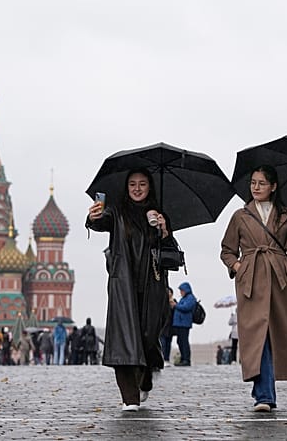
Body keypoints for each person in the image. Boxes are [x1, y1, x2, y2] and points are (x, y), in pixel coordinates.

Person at [86, 168, 175, 411]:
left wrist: (164, 230)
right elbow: (100, 223)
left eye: (142, 184)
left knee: (147, 336)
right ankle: (129, 398)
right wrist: (94, 217)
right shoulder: (116, 212)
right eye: (132, 184)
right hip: (123, 284)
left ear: (150, 187)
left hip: (152, 285)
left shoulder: (158, 214)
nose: (137, 188)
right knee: (124, 339)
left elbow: (171, 254)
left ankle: (146, 375)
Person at [220, 164, 287, 413]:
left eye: (262, 183)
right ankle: (264, 394)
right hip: (252, 280)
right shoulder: (240, 215)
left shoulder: (285, 215)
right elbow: (226, 249)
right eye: (253, 183)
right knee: (256, 335)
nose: (256, 187)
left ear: (273, 186)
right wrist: (238, 266)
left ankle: (265, 393)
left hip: (280, 280)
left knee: (273, 334)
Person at [172, 282, 197, 366]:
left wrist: (175, 305)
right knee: (180, 341)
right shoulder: (184, 298)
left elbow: (186, 307)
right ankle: (183, 358)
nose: (181, 293)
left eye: (182, 291)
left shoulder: (190, 298)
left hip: (184, 324)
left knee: (184, 341)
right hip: (180, 323)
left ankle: (186, 359)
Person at [159, 290, 175, 366]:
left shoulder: (174, 302)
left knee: (168, 343)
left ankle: (166, 359)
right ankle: (162, 358)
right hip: (163, 325)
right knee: (163, 343)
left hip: (170, 326)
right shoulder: (162, 301)